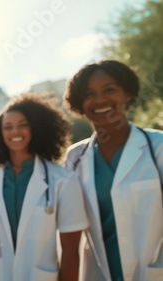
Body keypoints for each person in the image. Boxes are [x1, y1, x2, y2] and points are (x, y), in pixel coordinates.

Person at [0, 93, 88, 281]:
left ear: (36, 128)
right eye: (8, 127)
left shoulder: (63, 180)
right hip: (0, 275)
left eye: (22, 125)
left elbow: (71, 251)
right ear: (0, 133)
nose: (15, 132)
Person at [64, 60, 163, 281]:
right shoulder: (75, 157)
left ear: (128, 94)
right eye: (90, 94)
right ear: (80, 103)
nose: (99, 100)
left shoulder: (158, 146)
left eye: (109, 90)